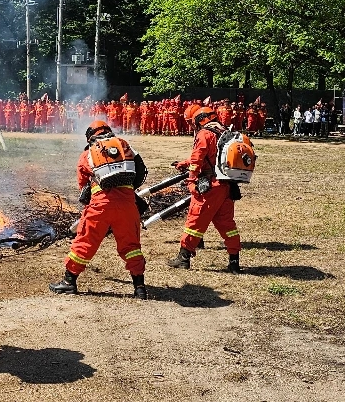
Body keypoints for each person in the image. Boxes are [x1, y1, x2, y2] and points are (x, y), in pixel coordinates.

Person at [50, 120, 149, 299]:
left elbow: (82, 187)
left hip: (100, 205)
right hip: (128, 205)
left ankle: (69, 282)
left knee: (85, 242)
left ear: (90, 137)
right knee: (132, 246)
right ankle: (139, 288)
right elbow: (141, 171)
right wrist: (127, 191)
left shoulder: (88, 154)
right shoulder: (124, 146)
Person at [170, 107, 243, 273]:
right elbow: (213, 156)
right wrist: (185, 162)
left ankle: (183, 258)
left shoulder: (204, 133)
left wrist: (191, 181)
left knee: (194, 222)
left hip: (209, 187)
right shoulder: (224, 131)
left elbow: (198, 160)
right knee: (228, 225)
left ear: (200, 119)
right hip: (227, 185)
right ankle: (234, 262)